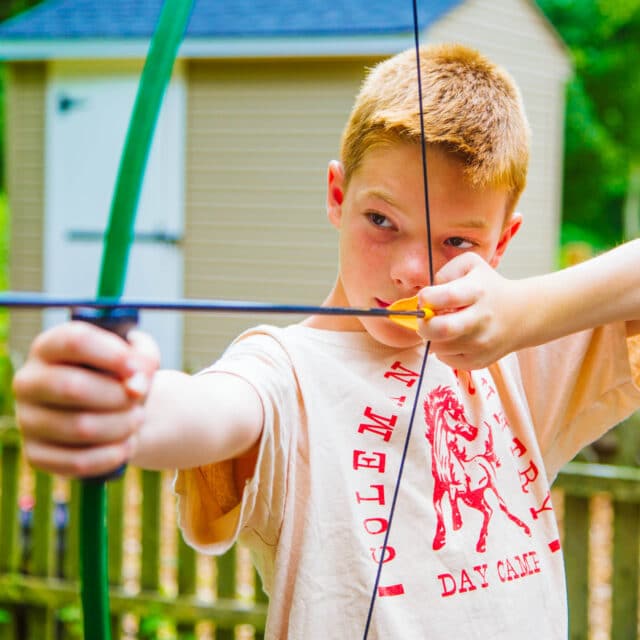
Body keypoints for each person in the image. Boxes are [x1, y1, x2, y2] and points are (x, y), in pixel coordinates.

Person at [13, 44, 640, 638]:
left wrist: (527, 311)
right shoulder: (286, 374)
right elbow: (209, 408)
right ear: (338, 196)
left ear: (503, 242)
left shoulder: (517, 359)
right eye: (382, 221)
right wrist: (122, 404)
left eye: (457, 242)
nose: (410, 272)